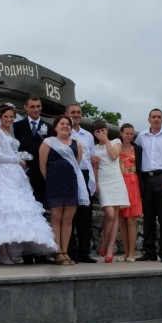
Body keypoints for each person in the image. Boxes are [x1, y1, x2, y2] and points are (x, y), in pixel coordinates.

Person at [0, 104, 58, 264]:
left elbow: (10, 151)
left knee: (16, 212)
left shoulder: (10, 131)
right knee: (5, 211)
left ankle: (9, 250)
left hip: (16, 174)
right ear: (0, 117)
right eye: (6, 116)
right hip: (3, 174)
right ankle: (2, 251)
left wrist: (20, 160)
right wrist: (16, 159)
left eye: (11, 117)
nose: (9, 119)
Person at [39, 116, 89, 265]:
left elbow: (77, 164)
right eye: (62, 124)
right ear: (55, 127)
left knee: (68, 219)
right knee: (56, 218)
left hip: (71, 183)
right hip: (55, 183)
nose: (65, 126)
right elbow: (42, 165)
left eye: (68, 124)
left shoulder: (77, 144)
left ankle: (65, 252)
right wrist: (51, 181)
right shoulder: (48, 142)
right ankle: (57, 252)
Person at [134, 108, 162, 263]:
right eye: (153, 117)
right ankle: (149, 252)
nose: (156, 119)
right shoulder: (141, 136)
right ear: (149, 119)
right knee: (148, 218)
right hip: (147, 179)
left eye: (159, 117)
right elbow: (136, 155)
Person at [15, 95, 53, 264]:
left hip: (43, 176)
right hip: (24, 176)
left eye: (38, 106)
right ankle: (27, 253)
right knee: (26, 214)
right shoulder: (17, 126)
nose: (36, 109)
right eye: (32, 107)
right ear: (26, 107)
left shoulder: (49, 127)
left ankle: (42, 252)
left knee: (42, 214)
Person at [91, 120, 129, 263]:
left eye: (103, 130)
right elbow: (94, 167)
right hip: (103, 182)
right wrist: (95, 183)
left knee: (115, 215)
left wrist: (106, 140)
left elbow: (114, 156)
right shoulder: (94, 148)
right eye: (97, 131)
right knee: (110, 214)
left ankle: (109, 247)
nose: (101, 133)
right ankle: (105, 242)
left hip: (116, 180)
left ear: (106, 130)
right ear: (94, 133)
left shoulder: (116, 141)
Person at [66, 103, 97, 263]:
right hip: (69, 174)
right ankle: (70, 251)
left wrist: (95, 180)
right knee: (70, 214)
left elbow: (92, 158)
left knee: (85, 214)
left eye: (78, 112)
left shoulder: (88, 135)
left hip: (85, 174)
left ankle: (84, 252)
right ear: (67, 113)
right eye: (73, 112)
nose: (76, 115)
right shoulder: (64, 132)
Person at [117, 123, 142, 262]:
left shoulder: (137, 149)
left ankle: (132, 253)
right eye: (126, 133)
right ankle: (126, 253)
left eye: (131, 134)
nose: (129, 136)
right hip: (120, 183)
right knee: (121, 219)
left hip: (133, 183)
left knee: (131, 219)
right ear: (121, 133)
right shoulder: (116, 148)